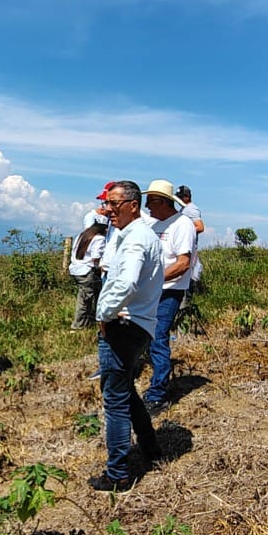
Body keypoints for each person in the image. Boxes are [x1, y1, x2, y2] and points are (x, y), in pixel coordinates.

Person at [90, 180, 164, 492]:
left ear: (133, 205)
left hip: (124, 326)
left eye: (114, 204)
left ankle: (118, 473)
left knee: (115, 400)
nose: (108, 210)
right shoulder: (138, 234)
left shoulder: (135, 238)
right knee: (125, 389)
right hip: (139, 325)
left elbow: (128, 282)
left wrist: (103, 313)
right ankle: (151, 448)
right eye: (106, 204)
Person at [141, 179, 196, 410]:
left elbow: (183, 263)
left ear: (161, 202)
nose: (147, 206)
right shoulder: (155, 226)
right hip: (152, 291)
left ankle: (157, 395)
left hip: (169, 291)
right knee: (148, 338)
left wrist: (154, 280)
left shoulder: (182, 225)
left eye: (150, 201)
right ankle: (156, 386)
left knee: (158, 338)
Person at [68, 221, 107, 330]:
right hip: (87, 271)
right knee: (85, 299)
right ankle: (78, 325)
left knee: (90, 295)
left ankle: (90, 320)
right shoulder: (99, 238)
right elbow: (96, 257)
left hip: (76, 269)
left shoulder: (83, 235)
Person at [174, 184, 204, 306]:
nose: (179, 200)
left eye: (181, 197)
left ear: (187, 197)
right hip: (184, 248)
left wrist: (184, 232)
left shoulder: (191, 209)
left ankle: (188, 303)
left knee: (189, 275)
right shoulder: (184, 209)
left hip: (190, 249)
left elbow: (200, 227)